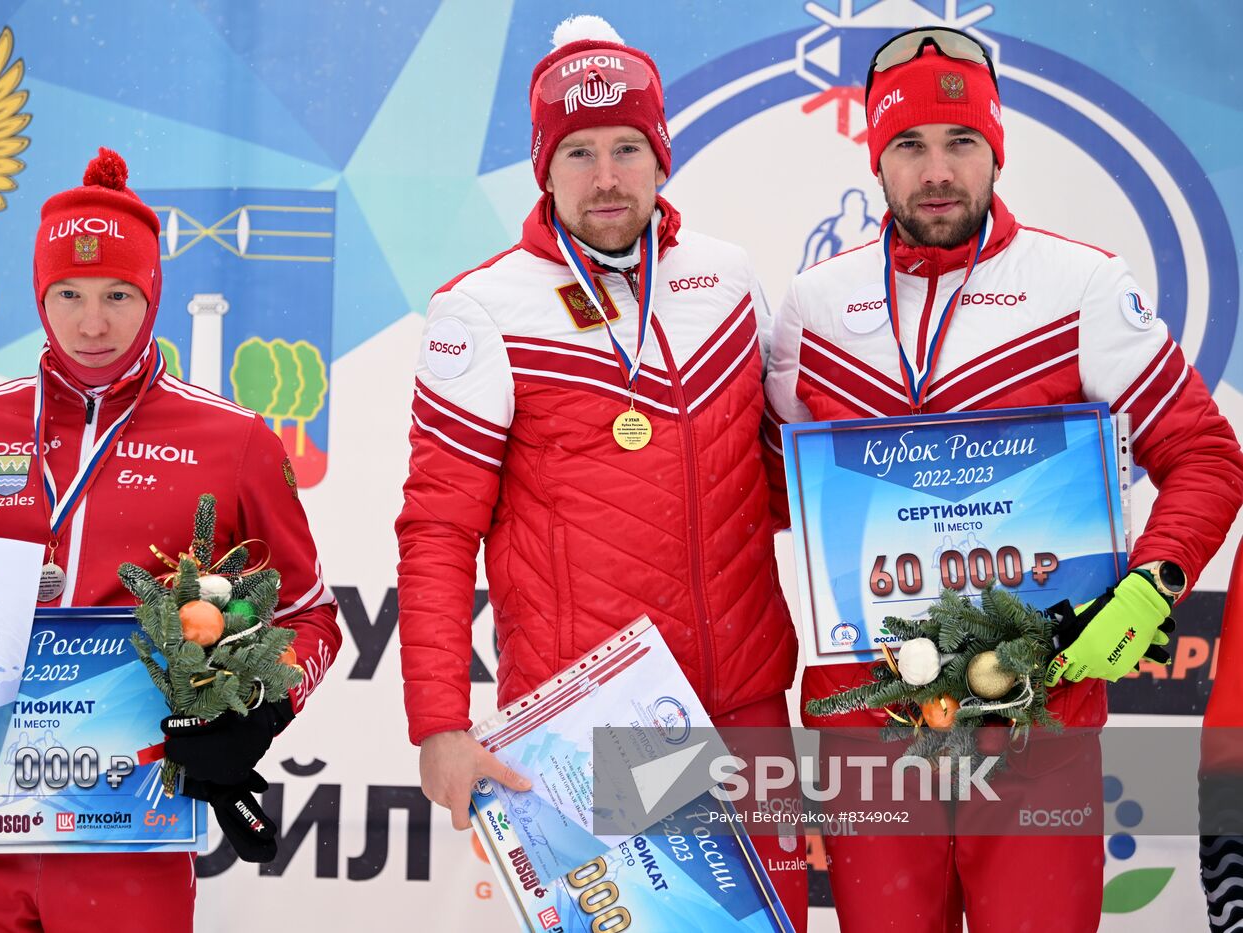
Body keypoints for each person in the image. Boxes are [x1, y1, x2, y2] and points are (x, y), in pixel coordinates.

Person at [765, 26, 1243, 932]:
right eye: (909, 144)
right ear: (876, 157)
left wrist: (1156, 577)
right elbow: (757, 486)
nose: (936, 170)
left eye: (961, 143)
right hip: (870, 727)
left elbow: (1207, 456)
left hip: (1038, 717)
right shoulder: (811, 309)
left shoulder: (1079, 287)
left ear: (996, 151)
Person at [0, 148, 341, 931]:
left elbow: (311, 616)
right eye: (67, 293)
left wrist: (255, 711)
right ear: (41, 297)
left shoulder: (232, 440)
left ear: (154, 295)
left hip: (129, 833)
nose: (93, 322)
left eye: (119, 294)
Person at [395, 15, 806, 927]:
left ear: (662, 156)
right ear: (543, 167)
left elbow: (781, 476)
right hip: (598, 721)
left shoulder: (728, 280)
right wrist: (439, 723)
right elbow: (437, 528)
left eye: (628, 146)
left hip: (745, 704)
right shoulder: (483, 309)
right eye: (578, 151)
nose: (607, 176)